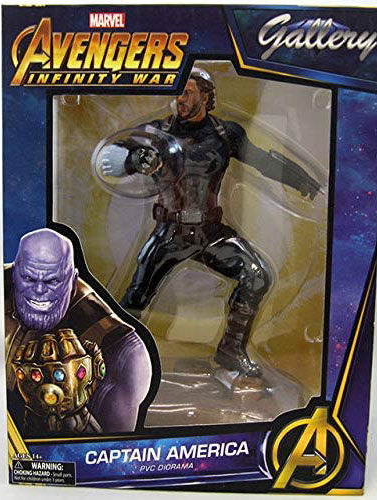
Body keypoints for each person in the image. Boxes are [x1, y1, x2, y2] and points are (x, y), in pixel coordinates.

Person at [95, 68, 320, 377]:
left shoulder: (226, 134)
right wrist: (132, 160)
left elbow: (263, 161)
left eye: (187, 92)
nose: (180, 99)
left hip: (210, 233)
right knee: (135, 297)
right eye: (177, 92)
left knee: (257, 276)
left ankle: (231, 351)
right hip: (169, 233)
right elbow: (107, 156)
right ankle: (109, 358)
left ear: (205, 96)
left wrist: (303, 181)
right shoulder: (156, 132)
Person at [4, 228, 152, 435]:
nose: (39, 290)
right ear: (14, 272)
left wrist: (74, 417)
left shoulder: (120, 350)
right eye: (28, 278)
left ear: (73, 279)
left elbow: (111, 448)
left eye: (52, 281)